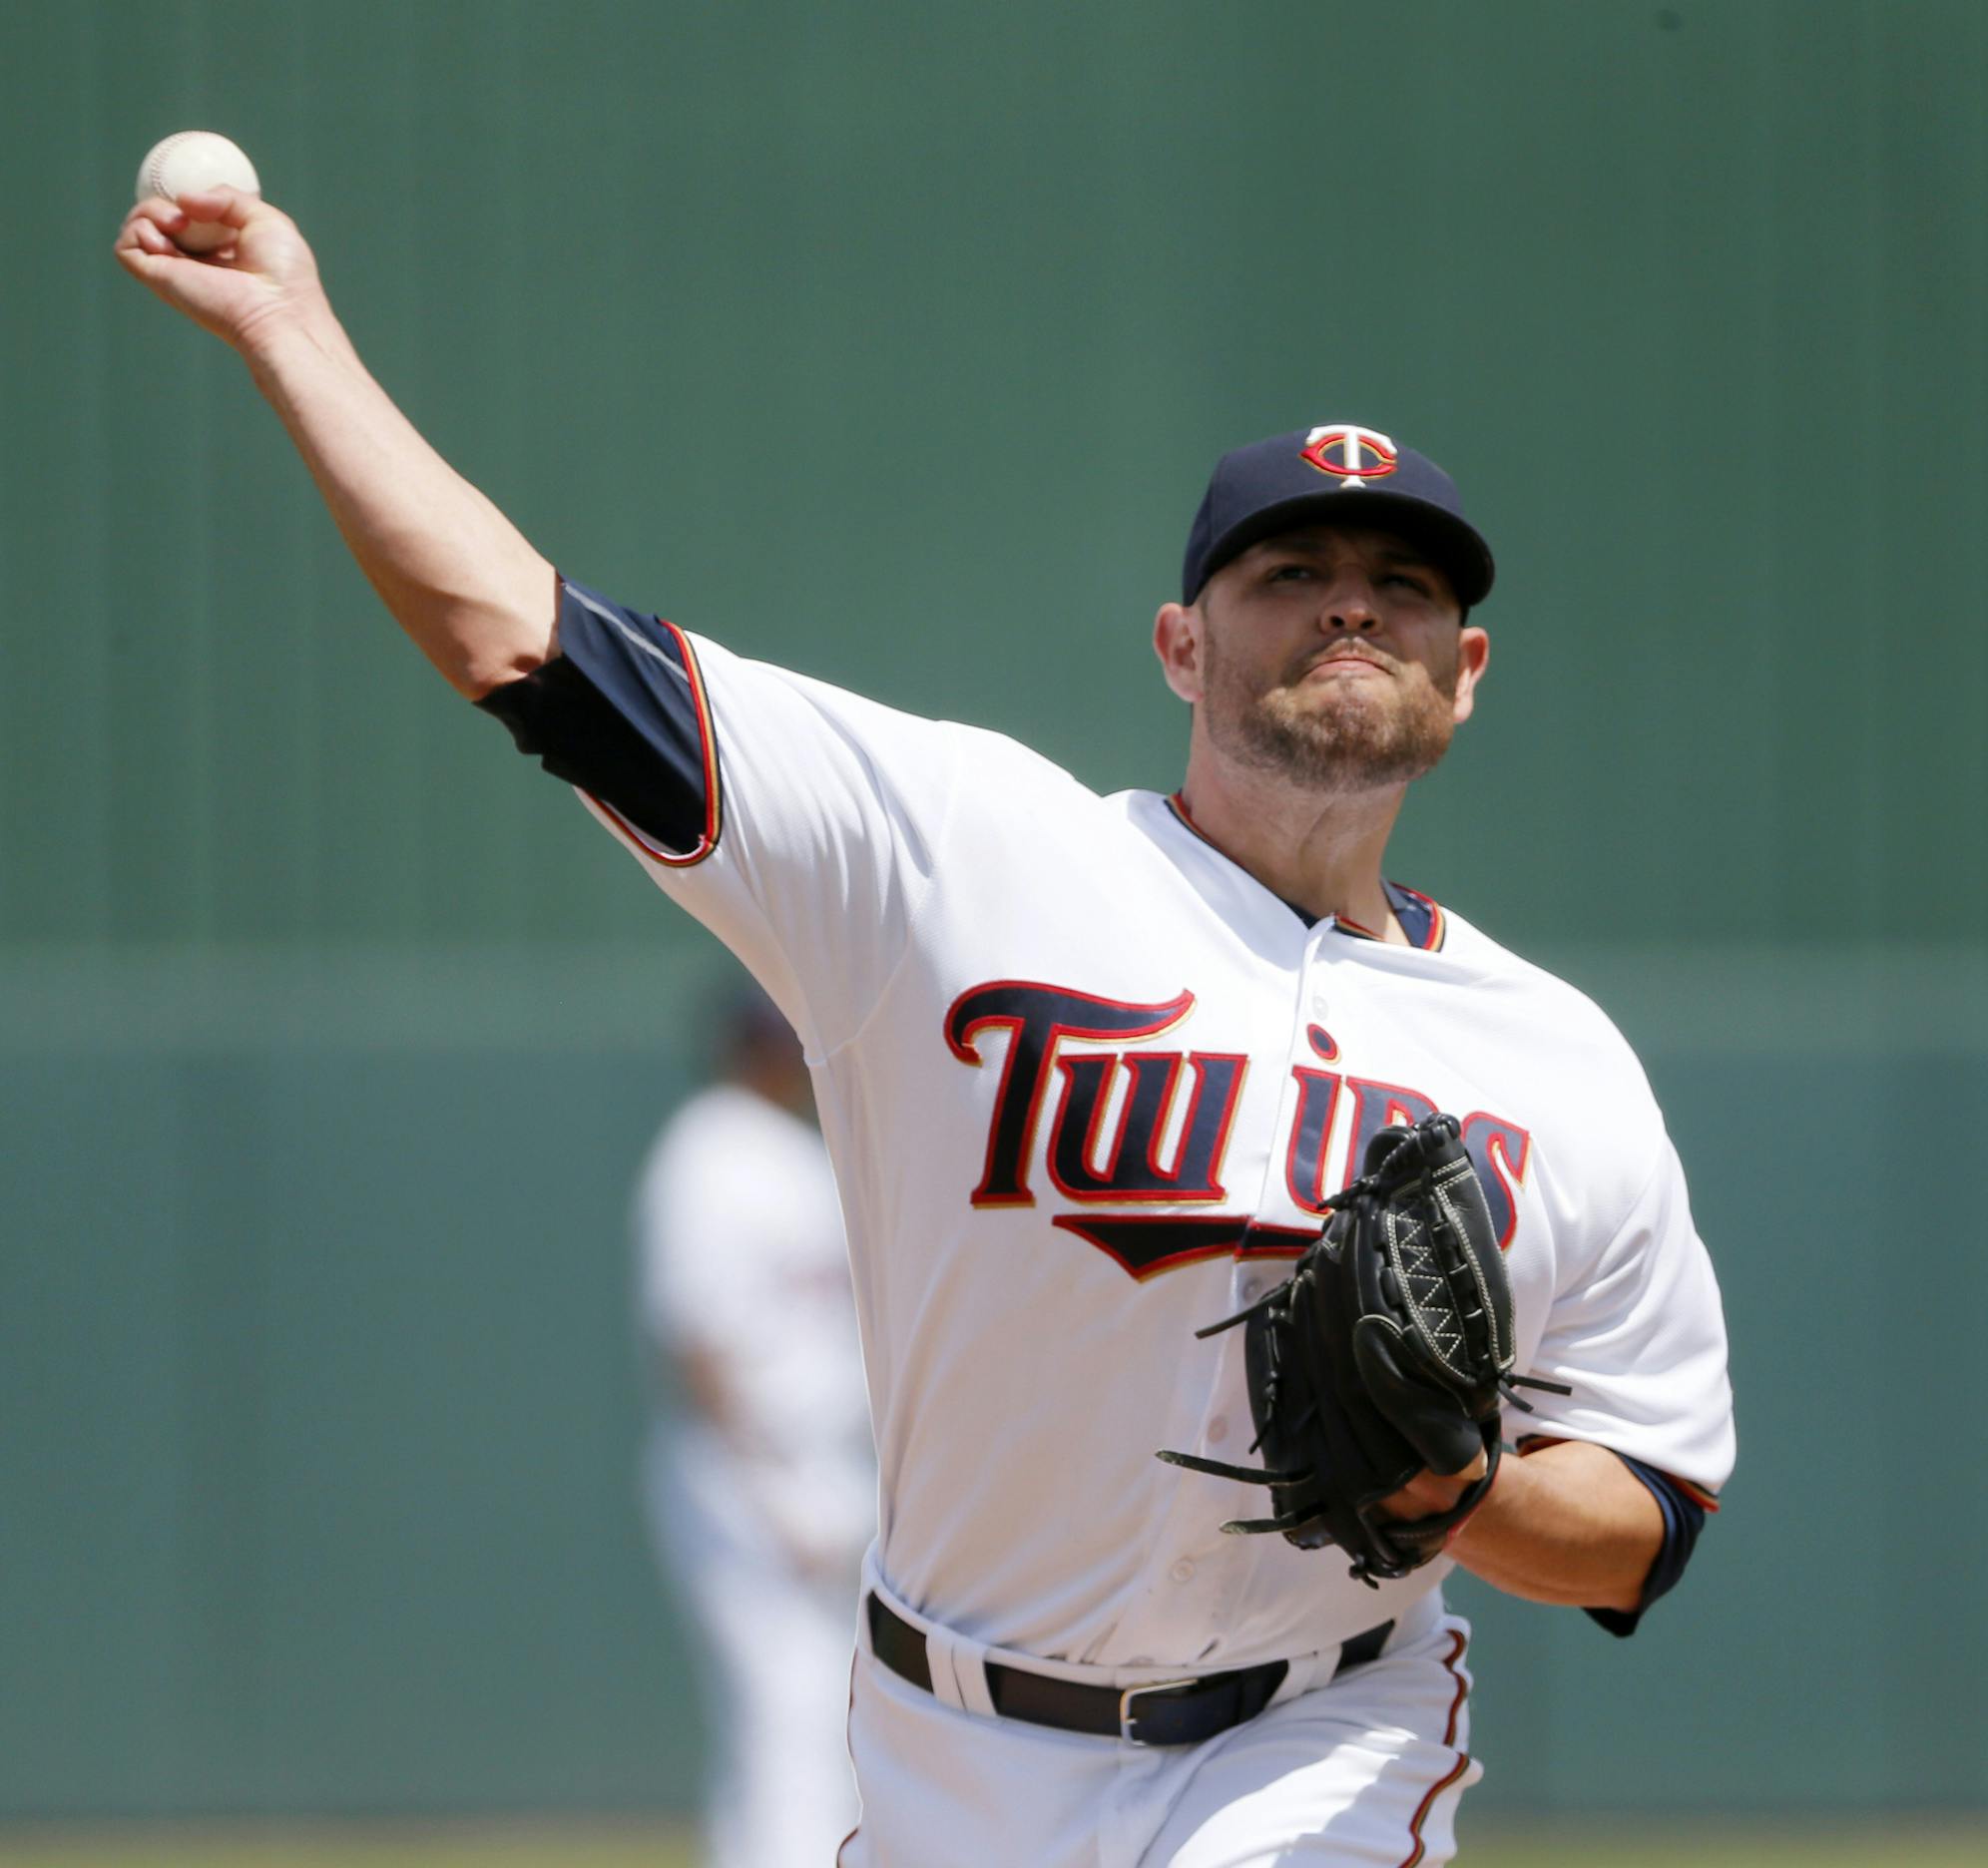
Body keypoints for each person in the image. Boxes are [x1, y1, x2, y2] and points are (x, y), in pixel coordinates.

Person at [118, 186, 1735, 1867]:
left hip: (1326, 1726)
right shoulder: (955, 849)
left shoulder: (1556, 1058)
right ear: (1182, 646)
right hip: (952, 1745)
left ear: (1463, 670)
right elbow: (513, 632)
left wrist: (1459, 1491)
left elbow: (1649, 1522)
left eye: (1403, 584)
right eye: (1290, 570)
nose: (1350, 605)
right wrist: (290, 332)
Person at [637, 985, 873, 1867]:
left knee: (837, 1712)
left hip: (826, 1465)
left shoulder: (790, 1152)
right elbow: (697, 1344)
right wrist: (771, 1491)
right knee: (787, 1713)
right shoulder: (708, 1156)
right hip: (748, 1468)